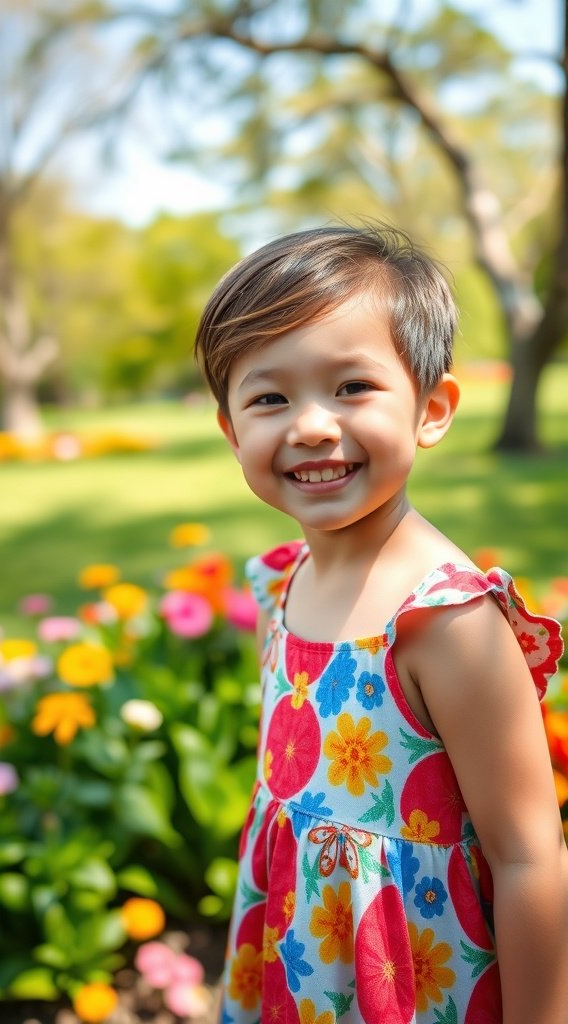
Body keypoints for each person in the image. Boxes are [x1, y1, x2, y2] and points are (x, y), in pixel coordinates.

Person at [194, 223, 568, 1024]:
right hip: (299, 966)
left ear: (432, 409)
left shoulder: (444, 620)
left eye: (352, 387)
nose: (312, 426)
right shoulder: (281, 583)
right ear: (232, 431)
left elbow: (529, 853)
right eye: (269, 398)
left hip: (412, 981)